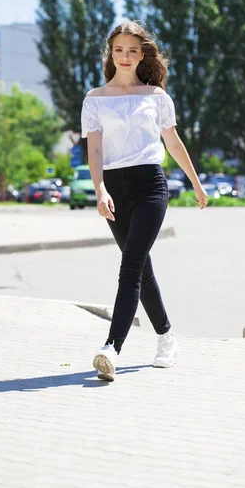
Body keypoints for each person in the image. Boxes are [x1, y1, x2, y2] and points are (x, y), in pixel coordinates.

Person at [81, 21, 208, 382]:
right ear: (111, 53)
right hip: (115, 190)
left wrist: (196, 183)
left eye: (132, 50)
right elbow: (94, 148)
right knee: (141, 269)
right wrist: (100, 189)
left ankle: (111, 348)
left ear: (142, 55)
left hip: (151, 184)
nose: (125, 56)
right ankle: (166, 337)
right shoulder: (94, 99)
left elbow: (173, 142)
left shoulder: (156, 96)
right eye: (119, 50)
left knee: (131, 263)